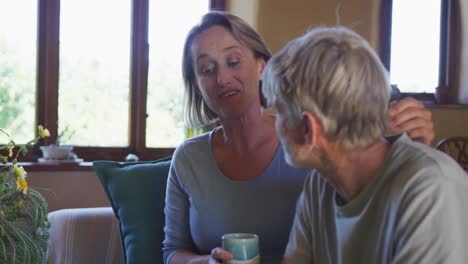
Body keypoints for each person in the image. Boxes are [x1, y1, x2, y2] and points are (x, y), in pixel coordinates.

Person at [163, 12, 435, 264]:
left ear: (262, 67)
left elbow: (376, 198)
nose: (222, 78)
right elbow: (172, 250)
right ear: (197, 86)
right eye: (207, 70)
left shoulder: (314, 150)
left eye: (233, 62)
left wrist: (412, 151)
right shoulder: (189, 158)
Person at [261, 26, 468, 264]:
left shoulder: (431, 189)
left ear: (310, 129)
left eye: (279, 111)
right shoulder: (320, 185)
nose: (275, 122)